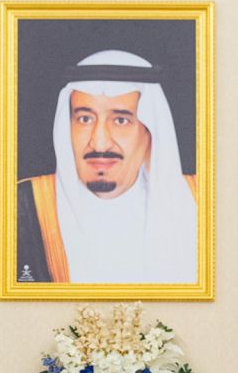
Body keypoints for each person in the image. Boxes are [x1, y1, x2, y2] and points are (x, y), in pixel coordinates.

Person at [16, 49, 198, 284]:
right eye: (85, 119)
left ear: (150, 131)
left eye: (121, 120)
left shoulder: (201, 204)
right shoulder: (22, 207)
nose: (99, 141)